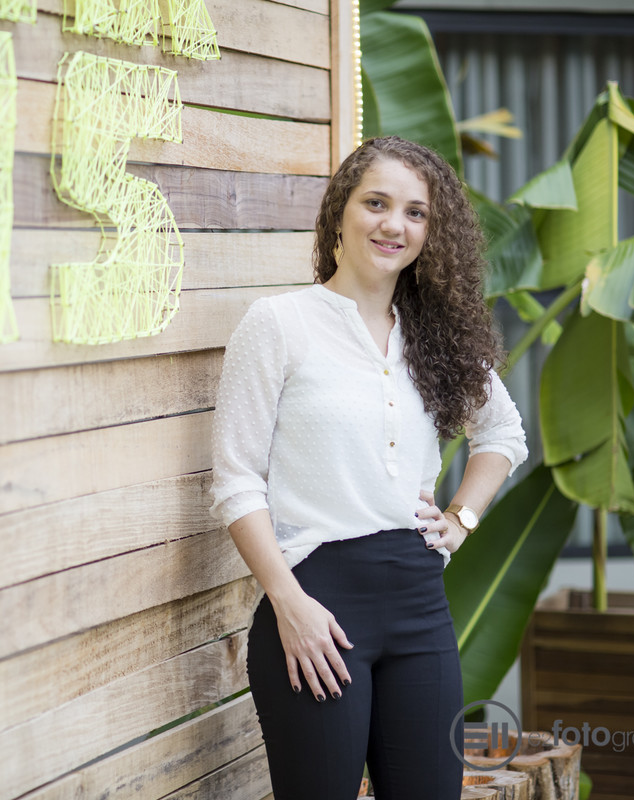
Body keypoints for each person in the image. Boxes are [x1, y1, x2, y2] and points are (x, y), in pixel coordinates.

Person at [209, 136, 529, 800]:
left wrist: (460, 518)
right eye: (377, 203)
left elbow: (502, 433)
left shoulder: (435, 339)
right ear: (341, 212)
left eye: (415, 213)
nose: (395, 225)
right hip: (316, 609)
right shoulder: (279, 324)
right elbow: (236, 480)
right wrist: (287, 601)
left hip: (418, 604)